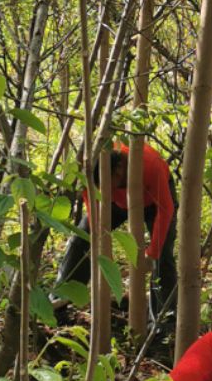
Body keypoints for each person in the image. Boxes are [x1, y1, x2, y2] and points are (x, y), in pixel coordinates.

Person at [57, 139, 177, 353]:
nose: (105, 188)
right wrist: (97, 237)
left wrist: (153, 252)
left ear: (120, 168)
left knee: (163, 259)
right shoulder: (95, 168)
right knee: (81, 239)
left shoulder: (150, 165)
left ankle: (162, 327)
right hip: (115, 204)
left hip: (153, 203)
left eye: (109, 182)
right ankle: (59, 301)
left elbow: (165, 211)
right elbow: (90, 199)